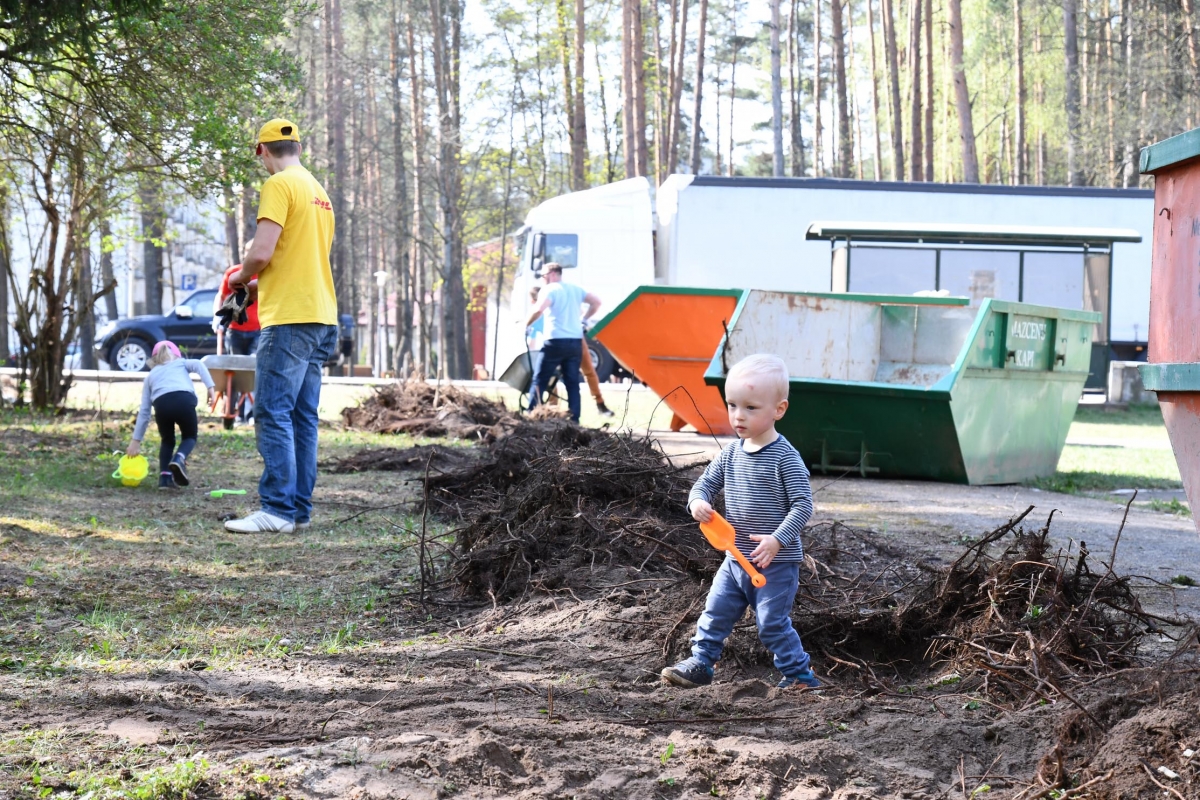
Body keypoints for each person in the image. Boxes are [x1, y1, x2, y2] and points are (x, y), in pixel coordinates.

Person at [660, 354, 818, 690]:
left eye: (750, 407)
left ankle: (800, 676)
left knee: (771, 624)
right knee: (715, 612)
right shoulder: (731, 453)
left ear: (779, 410)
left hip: (774, 564)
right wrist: (697, 502)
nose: (738, 416)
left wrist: (778, 539)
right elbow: (704, 484)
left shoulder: (785, 457)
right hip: (734, 559)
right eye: (732, 405)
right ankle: (702, 663)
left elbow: (803, 505)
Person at [223, 118, 338, 535]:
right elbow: (296, 260)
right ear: (300, 148)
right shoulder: (319, 192)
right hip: (321, 315)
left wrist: (240, 278)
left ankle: (276, 509)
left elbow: (263, 251)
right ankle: (298, 510)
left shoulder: (278, 185)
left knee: (272, 412)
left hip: (289, 318)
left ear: (262, 151)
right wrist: (255, 288)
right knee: (303, 417)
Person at [126, 341, 216, 489]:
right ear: (177, 355)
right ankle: (179, 458)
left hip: (162, 405)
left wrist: (136, 440)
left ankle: (165, 479)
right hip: (184, 401)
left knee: (167, 441)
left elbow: (145, 411)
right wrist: (210, 388)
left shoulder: (150, 376)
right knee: (189, 437)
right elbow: (199, 365)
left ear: (154, 360)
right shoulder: (181, 363)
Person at [525, 263, 601, 423]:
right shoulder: (575, 289)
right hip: (574, 342)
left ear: (553, 273)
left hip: (555, 342)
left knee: (540, 379)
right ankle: (574, 419)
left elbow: (539, 309)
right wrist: (584, 319)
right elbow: (596, 302)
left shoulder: (549, 289)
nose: (542, 278)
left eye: (544, 275)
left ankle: (530, 414)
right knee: (572, 382)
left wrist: (527, 324)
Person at [213, 240, 261, 423]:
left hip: (258, 330)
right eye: (247, 251)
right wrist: (218, 316)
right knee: (234, 374)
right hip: (235, 330)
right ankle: (236, 414)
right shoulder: (234, 272)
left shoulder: (265, 273)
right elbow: (221, 295)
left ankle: (252, 414)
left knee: (254, 371)